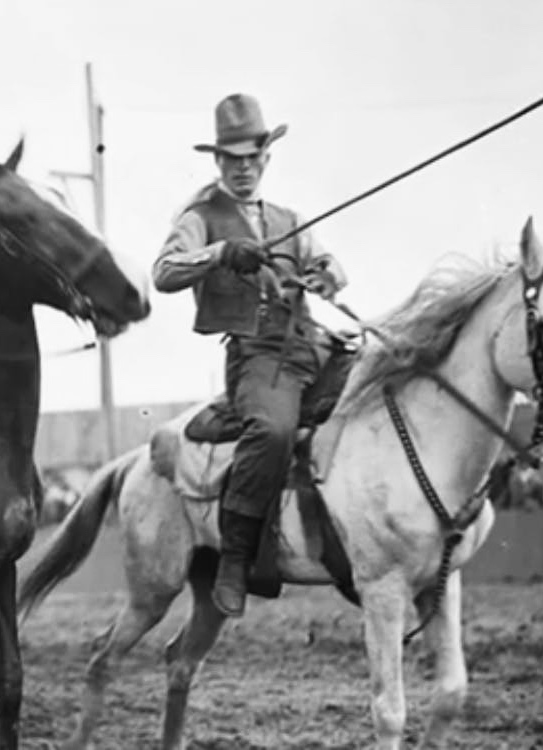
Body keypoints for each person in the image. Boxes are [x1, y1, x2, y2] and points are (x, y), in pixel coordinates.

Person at [152, 94, 348, 617]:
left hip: (311, 340)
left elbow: (332, 268)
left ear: (266, 159)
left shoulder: (288, 217)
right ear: (218, 162)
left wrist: (324, 274)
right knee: (275, 431)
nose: (242, 169)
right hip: (257, 353)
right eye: (232, 160)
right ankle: (236, 558)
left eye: (251, 159)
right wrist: (220, 253)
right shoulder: (201, 215)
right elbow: (164, 272)